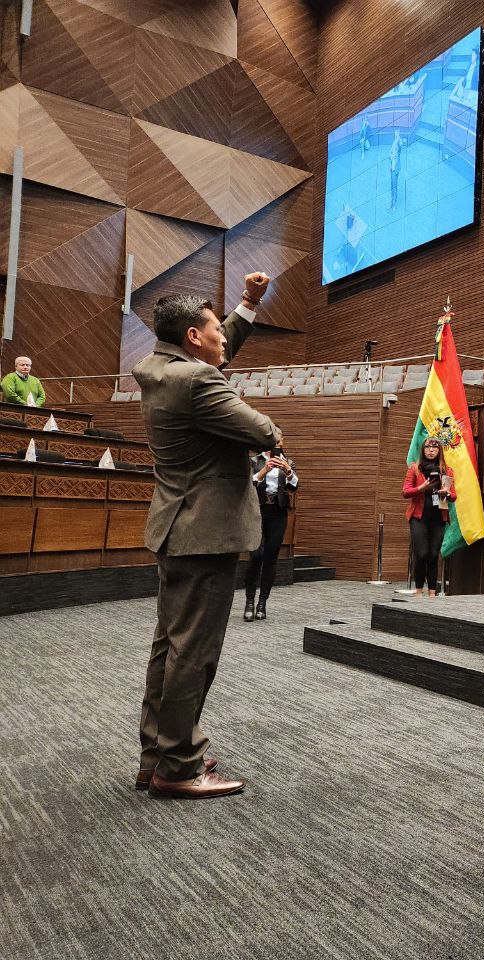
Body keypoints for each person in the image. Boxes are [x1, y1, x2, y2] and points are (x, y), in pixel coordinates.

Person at [133, 272, 278, 800]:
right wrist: (271, 431)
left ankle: (158, 754)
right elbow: (264, 431)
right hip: (206, 532)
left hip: (176, 527)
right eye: (216, 328)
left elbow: (215, 356)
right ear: (193, 336)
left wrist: (246, 307)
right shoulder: (198, 382)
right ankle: (179, 765)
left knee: (169, 647)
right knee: (195, 652)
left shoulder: (160, 369)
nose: (223, 336)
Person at [243, 445, 299, 622]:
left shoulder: (287, 461)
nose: (277, 443)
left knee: (270, 558)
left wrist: (288, 472)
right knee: (256, 555)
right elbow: (248, 485)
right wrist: (265, 470)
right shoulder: (254, 461)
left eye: (280, 439)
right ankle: (249, 602)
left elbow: (294, 487)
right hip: (256, 512)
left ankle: (262, 604)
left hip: (277, 512)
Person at [402, 437, 456, 597]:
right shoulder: (415, 468)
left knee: (433, 554)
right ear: (423, 450)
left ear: (439, 450)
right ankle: (419, 590)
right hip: (418, 517)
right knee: (421, 553)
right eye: (428, 447)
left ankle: (432, 592)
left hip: (438, 517)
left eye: (434, 447)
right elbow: (405, 491)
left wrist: (447, 493)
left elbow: (454, 496)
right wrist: (421, 488)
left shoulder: (446, 470)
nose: (431, 450)